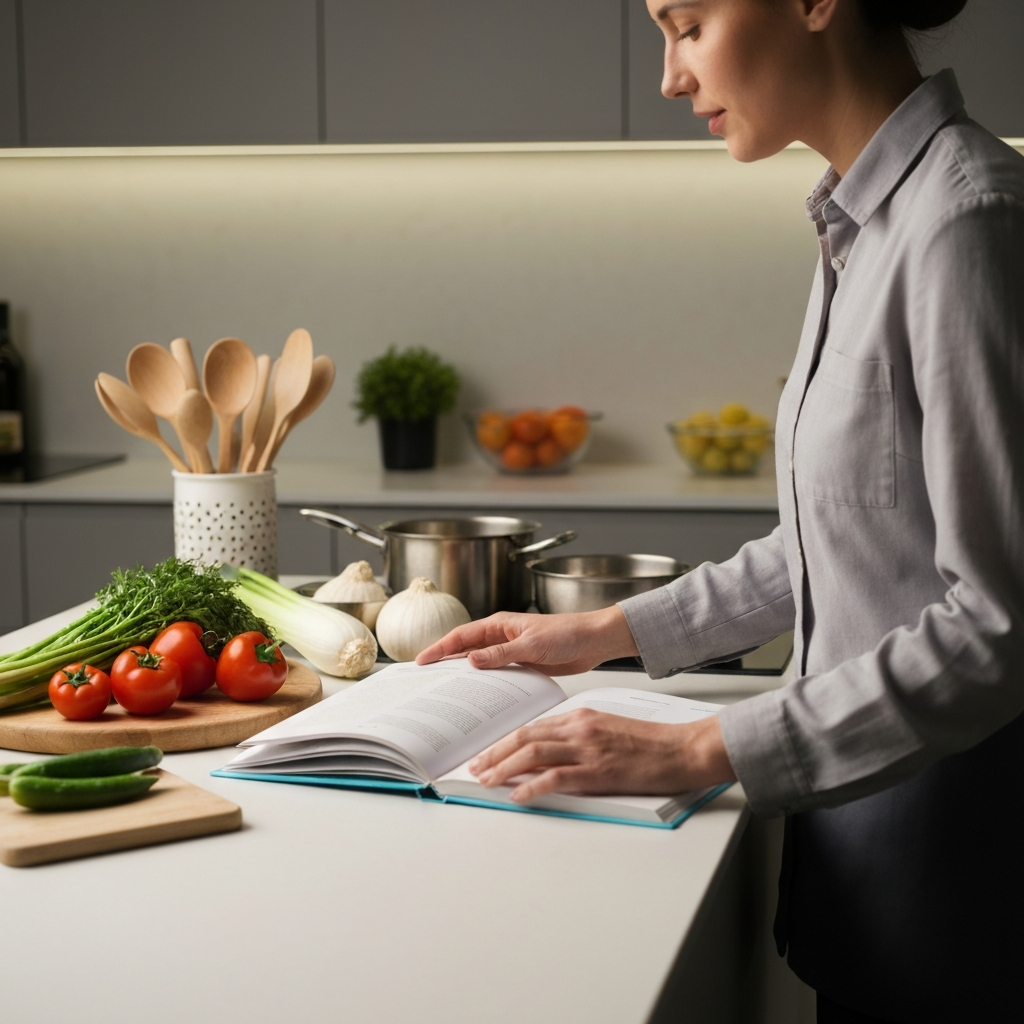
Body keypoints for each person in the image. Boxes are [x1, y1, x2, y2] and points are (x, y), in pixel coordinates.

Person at [417, 1, 1024, 1021]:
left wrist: (700, 748)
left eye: (687, 22)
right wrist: (602, 633)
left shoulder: (965, 222)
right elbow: (847, 531)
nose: (668, 74)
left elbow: (1000, 626)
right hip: (866, 859)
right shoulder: (860, 222)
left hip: (954, 889)